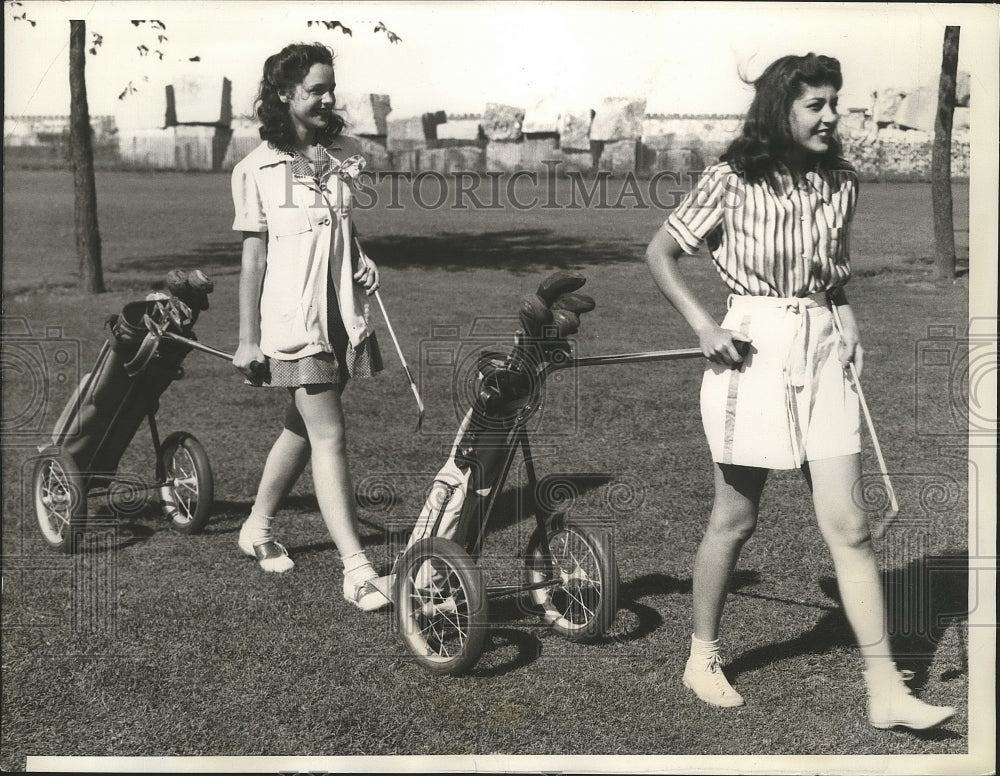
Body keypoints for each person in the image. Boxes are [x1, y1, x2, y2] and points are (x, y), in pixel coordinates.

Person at [645, 53, 954, 729]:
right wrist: (703, 326)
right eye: (815, 104)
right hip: (750, 347)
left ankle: (886, 691)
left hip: (822, 352)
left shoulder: (841, 181)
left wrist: (845, 321)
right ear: (779, 109)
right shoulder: (729, 181)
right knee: (736, 519)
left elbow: (830, 277)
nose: (831, 115)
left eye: (834, 102)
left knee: (850, 526)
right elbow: (660, 252)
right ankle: (702, 657)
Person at [230, 42, 389, 612]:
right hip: (295, 321)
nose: (328, 97)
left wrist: (360, 259)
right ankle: (357, 567)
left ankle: (257, 525)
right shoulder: (256, 170)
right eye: (316, 89)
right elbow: (254, 258)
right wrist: (248, 339)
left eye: (330, 87)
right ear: (284, 95)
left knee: (300, 428)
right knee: (329, 433)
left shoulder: (344, 154)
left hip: (342, 316)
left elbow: (338, 230)